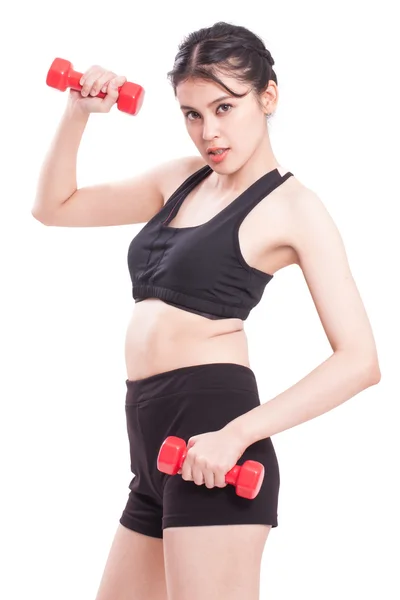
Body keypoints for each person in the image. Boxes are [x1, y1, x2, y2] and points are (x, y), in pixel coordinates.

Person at [32, 20, 380, 600]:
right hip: (148, 445)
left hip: (216, 445)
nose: (209, 132)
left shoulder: (295, 208)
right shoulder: (181, 179)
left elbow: (361, 361)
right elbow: (54, 207)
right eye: (193, 114)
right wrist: (77, 111)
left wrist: (235, 436)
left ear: (268, 96)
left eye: (224, 108)